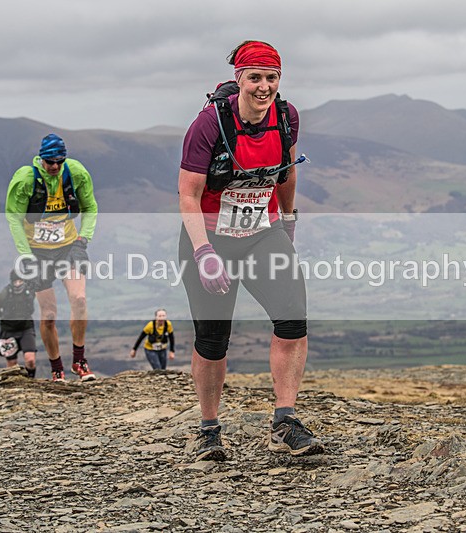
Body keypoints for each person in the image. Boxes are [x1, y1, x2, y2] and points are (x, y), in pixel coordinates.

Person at [178, 40, 323, 460]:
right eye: (255, 77)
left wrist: (289, 221)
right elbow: (188, 195)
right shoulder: (209, 124)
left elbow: (286, 173)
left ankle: (285, 420)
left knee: (292, 317)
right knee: (212, 337)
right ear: (238, 78)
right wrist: (203, 252)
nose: (264, 87)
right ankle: (208, 430)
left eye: (271, 78)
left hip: (263, 231)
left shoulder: (286, 116)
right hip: (208, 236)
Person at [5, 133, 99, 383]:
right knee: (48, 314)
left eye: (59, 161)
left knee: (79, 299)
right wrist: (25, 255)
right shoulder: (25, 179)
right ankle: (56, 367)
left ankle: (79, 361)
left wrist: (83, 239)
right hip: (37, 251)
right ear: (41, 159)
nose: (55, 166)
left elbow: (90, 207)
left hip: (68, 246)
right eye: (50, 162)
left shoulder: (76, 172)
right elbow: (13, 217)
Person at [0, 270, 38, 378]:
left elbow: (31, 308)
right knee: (12, 364)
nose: (18, 284)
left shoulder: (29, 292)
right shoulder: (3, 294)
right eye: (15, 281)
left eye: (20, 281)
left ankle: (30, 380)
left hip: (26, 328)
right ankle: (14, 385)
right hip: (8, 330)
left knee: (30, 359)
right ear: (11, 282)